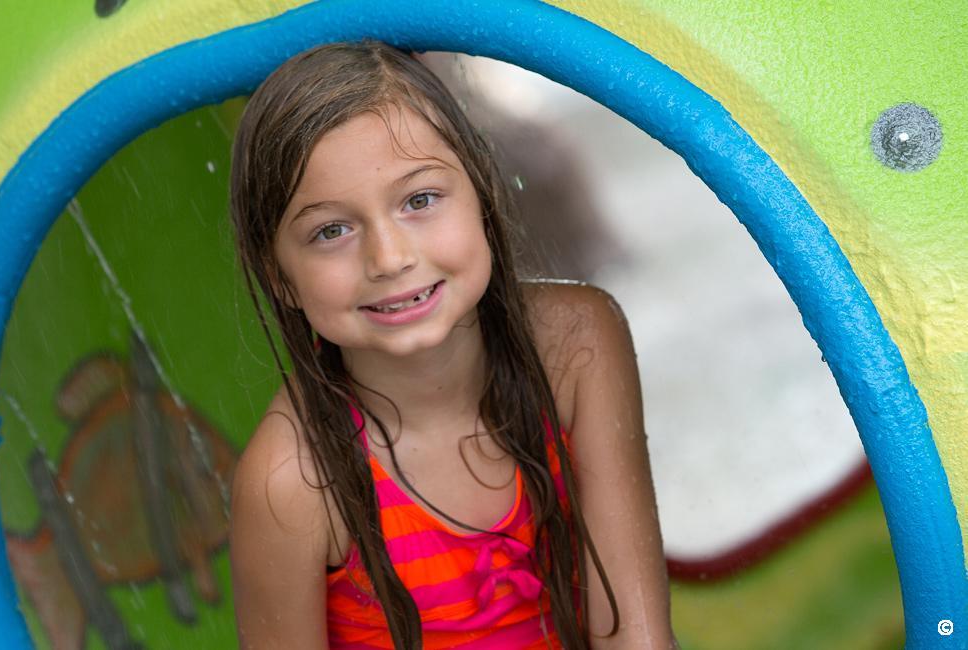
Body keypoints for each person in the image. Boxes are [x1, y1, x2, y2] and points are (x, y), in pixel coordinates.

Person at [228, 41, 674, 649]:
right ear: (279, 275)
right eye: (331, 230)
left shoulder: (576, 345)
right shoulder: (295, 481)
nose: (389, 258)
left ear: (483, 195)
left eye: (420, 200)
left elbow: (635, 640)